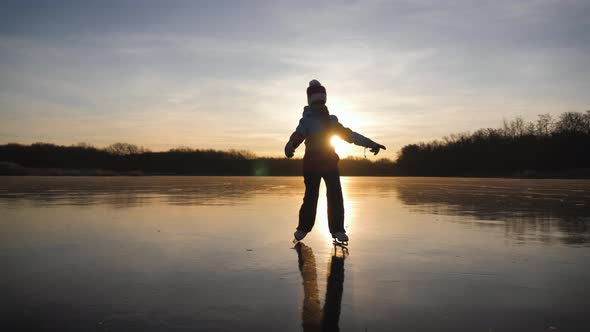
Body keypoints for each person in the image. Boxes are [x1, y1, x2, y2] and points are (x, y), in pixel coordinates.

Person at [285, 79, 386, 242]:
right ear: (310, 103)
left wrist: (371, 143)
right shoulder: (307, 121)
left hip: (330, 163)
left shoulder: (331, 122)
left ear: (325, 101)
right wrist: (290, 145)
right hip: (311, 165)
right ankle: (303, 228)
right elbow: (298, 134)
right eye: (315, 102)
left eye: (321, 102)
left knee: (335, 196)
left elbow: (350, 135)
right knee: (310, 197)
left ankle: (337, 229)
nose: (319, 105)